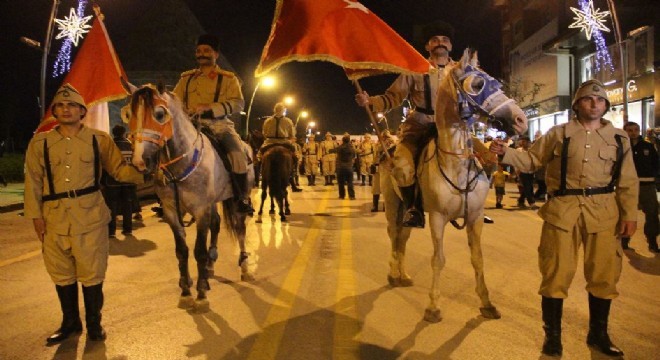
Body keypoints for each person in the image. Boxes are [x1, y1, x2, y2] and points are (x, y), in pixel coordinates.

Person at [490, 79, 638, 357]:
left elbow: (628, 180)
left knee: (604, 276)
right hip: (563, 211)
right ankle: (553, 337)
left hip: (604, 212)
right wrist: (506, 153)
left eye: (600, 100)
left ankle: (598, 335)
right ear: (577, 105)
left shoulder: (619, 138)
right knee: (555, 274)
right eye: (588, 99)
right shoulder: (558, 133)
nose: (594, 104)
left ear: (606, 105)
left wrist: (629, 214)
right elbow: (533, 160)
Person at [24, 84, 145, 343]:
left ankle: (94, 324)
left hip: (90, 216)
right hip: (54, 218)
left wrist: (145, 171)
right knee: (61, 272)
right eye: (61, 105)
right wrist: (36, 216)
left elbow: (119, 171)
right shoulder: (40, 142)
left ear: (82, 111)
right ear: (54, 110)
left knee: (92, 273)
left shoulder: (98, 139)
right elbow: (33, 181)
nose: (66, 109)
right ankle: (70, 323)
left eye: (72, 106)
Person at [355, 21, 455, 227]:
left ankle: (473, 207)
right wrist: (371, 101)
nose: (440, 43)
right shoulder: (414, 70)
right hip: (419, 127)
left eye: (444, 40)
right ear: (428, 47)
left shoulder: (463, 71)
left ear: (450, 46)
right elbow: (392, 97)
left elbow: (481, 97)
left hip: (452, 128)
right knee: (401, 165)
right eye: (434, 40)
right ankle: (413, 208)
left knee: (486, 159)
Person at [172, 34, 252, 213]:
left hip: (219, 126)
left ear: (216, 54)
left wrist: (210, 107)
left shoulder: (228, 78)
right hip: (190, 126)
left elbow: (238, 103)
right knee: (166, 152)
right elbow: (174, 100)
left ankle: (241, 198)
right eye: (199, 51)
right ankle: (169, 198)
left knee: (238, 156)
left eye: (207, 50)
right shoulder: (186, 78)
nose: (202, 54)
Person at [622, 121, 660, 252]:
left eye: (635, 130)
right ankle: (624, 240)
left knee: (652, 214)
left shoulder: (648, 147)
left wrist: (656, 179)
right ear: (625, 131)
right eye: (630, 130)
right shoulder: (621, 147)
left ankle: (652, 241)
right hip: (627, 186)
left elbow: (656, 164)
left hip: (647, 186)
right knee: (627, 213)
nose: (633, 133)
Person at [101, 125, 138, 237]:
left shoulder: (110, 146)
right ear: (123, 133)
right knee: (127, 205)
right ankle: (128, 229)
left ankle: (111, 231)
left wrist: (102, 180)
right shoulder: (131, 146)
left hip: (112, 180)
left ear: (113, 133)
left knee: (112, 206)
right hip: (127, 180)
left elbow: (105, 163)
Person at [515, 136, 537, 209]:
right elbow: (516, 161)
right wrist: (517, 170)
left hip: (531, 171)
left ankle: (521, 200)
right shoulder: (519, 150)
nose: (524, 143)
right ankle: (531, 202)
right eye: (523, 141)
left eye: (526, 142)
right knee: (527, 187)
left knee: (528, 187)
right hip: (522, 171)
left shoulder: (532, 151)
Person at [335, 133, 356, 200]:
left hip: (340, 167)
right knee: (350, 182)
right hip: (349, 167)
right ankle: (351, 196)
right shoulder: (352, 148)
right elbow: (353, 156)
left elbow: (336, 155)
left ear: (343, 140)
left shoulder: (339, 148)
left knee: (341, 182)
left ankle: (342, 196)